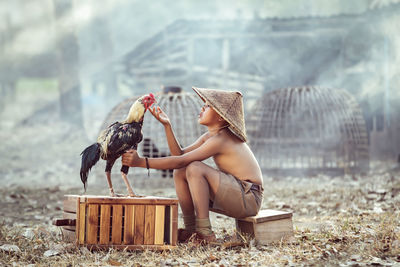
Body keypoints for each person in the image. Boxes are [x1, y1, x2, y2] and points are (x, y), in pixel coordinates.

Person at [122, 87, 264, 243]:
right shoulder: (210, 136)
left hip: (249, 198)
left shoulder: (221, 139)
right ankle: (191, 230)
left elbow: (182, 160)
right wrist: (167, 126)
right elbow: (180, 156)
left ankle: (205, 233)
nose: (202, 107)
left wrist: (142, 162)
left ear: (221, 117)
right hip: (237, 193)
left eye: (208, 106)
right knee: (180, 171)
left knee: (194, 167)